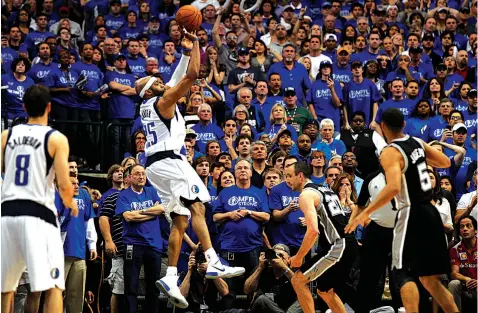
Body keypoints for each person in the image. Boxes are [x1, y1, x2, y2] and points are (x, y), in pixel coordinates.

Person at [134, 31, 244, 308]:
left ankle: (171, 276)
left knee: (180, 220)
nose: (163, 81)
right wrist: (196, 42)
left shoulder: (152, 103)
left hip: (156, 166)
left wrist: (183, 52)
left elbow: (179, 73)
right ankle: (213, 261)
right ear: (151, 90)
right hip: (172, 161)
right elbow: (193, 74)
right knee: (198, 207)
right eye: (157, 81)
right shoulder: (165, 100)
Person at [346, 108, 459, 313]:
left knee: (401, 272)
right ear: (404, 125)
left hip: (410, 213)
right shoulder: (417, 142)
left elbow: (394, 187)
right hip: (431, 212)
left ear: (382, 127)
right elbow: (444, 162)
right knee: (429, 279)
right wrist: (418, 162)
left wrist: (363, 213)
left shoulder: (390, 151)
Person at [1, 84, 77, 313]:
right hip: (38, 215)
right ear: (49, 107)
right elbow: (64, 184)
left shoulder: (7, 134)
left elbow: (3, 168)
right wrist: (70, 202)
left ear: (24, 107)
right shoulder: (55, 138)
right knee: (54, 285)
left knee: (6, 287)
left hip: (6, 214)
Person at [285, 162, 358, 313]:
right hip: (348, 243)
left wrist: (299, 257)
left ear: (300, 176)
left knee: (298, 280)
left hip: (339, 245)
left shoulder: (305, 195)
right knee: (325, 291)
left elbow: (313, 231)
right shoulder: (326, 190)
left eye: (289, 176)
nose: (286, 180)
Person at [448, 216, 478, 312]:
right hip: (466, 286)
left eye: (468, 226)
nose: (465, 229)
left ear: (476, 231)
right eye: (462, 227)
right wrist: (467, 279)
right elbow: (454, 273)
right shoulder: (455, 249)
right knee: (453, 284)